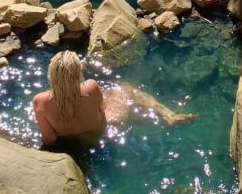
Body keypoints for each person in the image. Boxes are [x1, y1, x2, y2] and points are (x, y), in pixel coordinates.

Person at [32, 50, 196, 145]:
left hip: (75, 142)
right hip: (100, 132)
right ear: (78, 73)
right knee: (125, 89)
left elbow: (49, 139)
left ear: (51, 75)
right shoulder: (90, 86)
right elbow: (102, 108)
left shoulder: (40, 101)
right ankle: (168, 115)